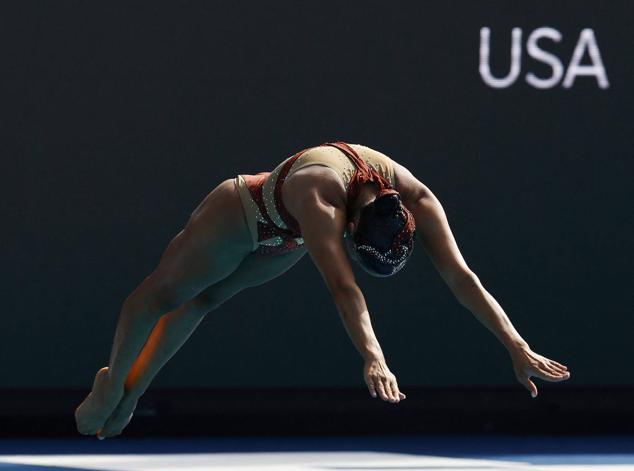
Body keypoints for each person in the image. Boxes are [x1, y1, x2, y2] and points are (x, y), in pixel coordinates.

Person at [74, 141, 570, 439]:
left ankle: (133, 388)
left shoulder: (416, 197)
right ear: (351, 226)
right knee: (159, 295)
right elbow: (342, 285)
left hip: (286, 236)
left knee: (207, 298)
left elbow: (463, 278)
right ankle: (115, 380)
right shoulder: (320, 195)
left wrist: (517, 346)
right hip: (244, 212)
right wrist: (373, 356)